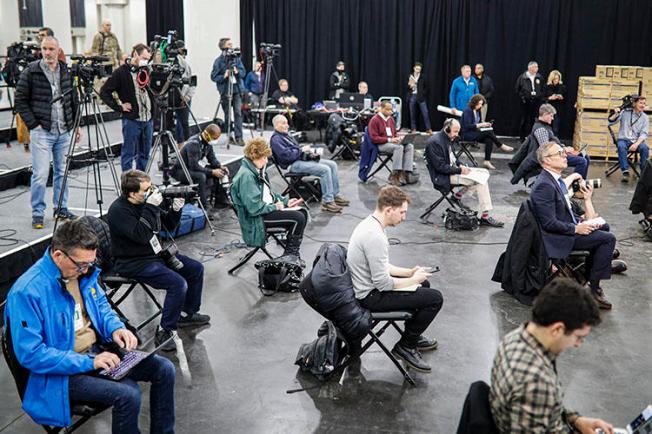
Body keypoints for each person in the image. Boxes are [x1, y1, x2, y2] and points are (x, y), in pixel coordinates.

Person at [4, 219, 176, 433]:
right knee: (128, 394)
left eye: (90, 264)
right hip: (60, 374)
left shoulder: (82, 272)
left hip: (97, 354)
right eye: (81, 264)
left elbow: (102, 306)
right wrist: (90, 362)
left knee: (164, 369)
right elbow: (31, 355)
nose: (86, 270)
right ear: (58, 256)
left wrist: (116, 328)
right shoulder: (27, 292)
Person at [490, 279, 614, 434]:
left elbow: (543, 408)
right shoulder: (536, 382)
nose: (578, 344)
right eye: (578, 337)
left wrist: (576, 420)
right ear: (557, 329)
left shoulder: (516, 337)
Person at [107, 170, 211, 351]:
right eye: (146, 189)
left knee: (195, 269)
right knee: (177, 284)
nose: (151, 192)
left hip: (155, 255)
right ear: (132, 193)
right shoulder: (118, 211)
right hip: (133, 262)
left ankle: (186, 314)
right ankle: (165, 329)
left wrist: (176, 210)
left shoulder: (146, 203)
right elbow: (141, 235)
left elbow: (168, 225)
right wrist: (151, 207)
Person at [347, 185, 443, 372]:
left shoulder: (371, 223)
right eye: (402, 212)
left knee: (425, 283)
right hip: (370, 297)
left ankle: (412, 335)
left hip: (368, 288)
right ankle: (406, 345)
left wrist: (409, 273)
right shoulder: (375, 236)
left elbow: (380, 266)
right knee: (435, 298)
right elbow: (383, 283)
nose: (404, 217)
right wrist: (414, 280)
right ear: (389, 209)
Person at [530, 142, 616, 309]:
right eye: (560, 153)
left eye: (564, 152)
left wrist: (581, 219)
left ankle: (589, 276)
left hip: (565, 228)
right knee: (608, 239)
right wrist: (576, 228)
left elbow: (562, 212)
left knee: (603, 228)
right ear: (547, 161)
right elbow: (548, 223)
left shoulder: (553, 180)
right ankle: (592, 287)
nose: (565, 156)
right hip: (556, 238)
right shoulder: (544, 186)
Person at [15, 36, 81, 229]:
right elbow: (20, 100)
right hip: (42, 131)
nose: (48, 52)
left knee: (62, 171)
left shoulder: (65, 70)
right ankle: (37, 213)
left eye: (51, 49)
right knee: (41, 174)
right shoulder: (31, 71)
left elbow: (73, 99)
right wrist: (33, 124)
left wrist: (76, 125)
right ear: (40, 50)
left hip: (64, 130)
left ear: (58, 50)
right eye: (45, 49)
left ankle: (61, 208)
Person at [230, 137, 307, 263]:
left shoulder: (256, 170)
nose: (266, 161)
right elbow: (254, 209)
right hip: (256, 219)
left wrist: (286, 201)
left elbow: (268, 195)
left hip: (264, 211)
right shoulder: (247, 176)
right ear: (255, 156)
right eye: (264, 158)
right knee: (298, 218)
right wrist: (276, 207)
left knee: (302, 213)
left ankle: (291, 253)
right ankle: (290, 255)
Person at [425, 119, 504, 227]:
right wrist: (460, 170)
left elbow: (453, 158)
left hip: (451, 172)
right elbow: (440, 167)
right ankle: (484, 216)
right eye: (455, 131)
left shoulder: (447, 138)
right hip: (442, 177)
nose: (457, 135)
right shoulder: (434, 142)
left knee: (483, 173)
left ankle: (458, 195)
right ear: (446, 128)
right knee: (481, 181)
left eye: (458, 131)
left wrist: (460, 165)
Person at [270, 114, 349, 213]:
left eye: (287, 123)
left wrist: (307, 152)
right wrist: (301, 150)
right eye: (284, 123)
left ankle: (335, 195)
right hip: (292, 164)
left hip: (299, 160)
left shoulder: (286, 135)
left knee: (332, 165)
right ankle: (327, 202)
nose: (287, 125)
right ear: (276, 125)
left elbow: (295, 150)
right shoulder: (276, 139)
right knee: (325, 170)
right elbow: (287, 156)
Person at [100, 43, 154, 172]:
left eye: (148, 59)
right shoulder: (121, 72)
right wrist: (119, 106)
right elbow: (104, 92)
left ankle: (141, 183)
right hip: (132, 119)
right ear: (135, 54)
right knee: (128, 153)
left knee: (145, 154)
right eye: (144, 58)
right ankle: (127, 185)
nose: (146, 61)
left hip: (148, 119)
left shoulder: (146, 70)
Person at [172, 124, 230, 218]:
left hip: (191, 168)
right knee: (201, 176)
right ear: (207, 135)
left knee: (218, 171)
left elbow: (212, 159)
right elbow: (194, 166)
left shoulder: (208, 143)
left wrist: (220, 166)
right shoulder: (193, 143)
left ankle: (221, 201)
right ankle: (204, 207)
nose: (215, 141)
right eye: (214, 138)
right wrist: (212, 172)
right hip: (180, 171)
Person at [532, 104, 590, 179]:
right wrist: (564, 150)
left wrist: (564, 147)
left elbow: (552, 144)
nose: (552, 118)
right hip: (555, 156)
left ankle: (581, 182)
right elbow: (546, 150)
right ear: (545, 114)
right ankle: (576, 184)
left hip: (559, 152)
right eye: (551, 116)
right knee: (582, 161)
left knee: (585, 157)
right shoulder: (540, 129)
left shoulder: (545, 126)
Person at [368, 100, 417, 186]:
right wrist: (390, 140)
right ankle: (395, 174)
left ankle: (406, 172)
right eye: (388, 109)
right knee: (399, 148)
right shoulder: (374, 120)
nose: (391, 112)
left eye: (391, 110)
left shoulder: (391, 119)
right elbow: (374, 138)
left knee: (409, 146)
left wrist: (399, 138)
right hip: (380, 145)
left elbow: (394, 134)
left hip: (391, 143)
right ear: (382, 109)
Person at [460, 94, 513, 169]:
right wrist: (481, 125)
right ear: (474, 103)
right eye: (479, 104)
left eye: (481, 104)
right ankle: (501, 145)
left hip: (474, 133)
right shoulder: (468, 111)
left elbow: (478, 123)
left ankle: (487, 161)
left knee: (489, 139)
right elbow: (467, 126)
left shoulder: (478, 111)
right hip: (466, 134)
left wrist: (485, 125)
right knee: (488, 133)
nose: (480, 106)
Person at [210, 37, 246, 144]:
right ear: (223, 47)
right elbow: (213, 77)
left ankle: (239, 137)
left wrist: (236, 71)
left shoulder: (237, 59)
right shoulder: (218, 61)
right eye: (229, 45)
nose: (232, 46)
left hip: (237, 89)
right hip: (225, 90)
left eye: (231, 44)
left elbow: (243, 73)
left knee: (238, 112)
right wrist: (224, 76)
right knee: (227, 114)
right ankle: (229, 135)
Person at [608, 95, 649, 183]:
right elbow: (610, 122)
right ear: (634, 104)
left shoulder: (645, 117)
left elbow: (644, 134)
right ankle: (625, 171)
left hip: (636, 141)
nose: (642, 105)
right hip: (623, 139)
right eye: (640, 103)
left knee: (645, 148)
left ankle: (643, 173)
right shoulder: (625, 113)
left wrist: (636, 144)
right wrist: (616, 113)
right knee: (621, 146)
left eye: (644, 104)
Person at [515, 61, 544, 141]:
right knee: (524, 120)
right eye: (535, 67)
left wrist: (539, 96)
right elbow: (517, 89)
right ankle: (522, 137)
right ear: (530, 68)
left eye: (537, 67)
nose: (537, 68)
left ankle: (533, 137)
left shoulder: (539, 77)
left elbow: (542, 88)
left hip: (536, 102)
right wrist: (523, 98)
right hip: (525, 102)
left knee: (534, 120)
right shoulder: (522, 77)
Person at [173, 47, 196, 142]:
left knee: (184, 123)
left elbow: (192, 82)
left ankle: (187, 145)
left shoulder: (185, 65)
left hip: (184, 97)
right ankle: (173, 147)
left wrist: (187, 97)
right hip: (170, 97)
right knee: (170, 124)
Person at [407, 62, 432, 134]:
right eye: (417, 69)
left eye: (419, 69)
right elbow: (406, 87)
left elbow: (427, 87)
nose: (418, 70)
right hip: (412, 95)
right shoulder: (410, 76)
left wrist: (422, 94)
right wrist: (410, 86)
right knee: (412, 114)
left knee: (425, 113)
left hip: (421, 97)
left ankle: (428, 128)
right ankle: (413, 128)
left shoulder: (423, 76)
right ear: (414, 68)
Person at [544, 70, 567, 136]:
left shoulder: (562, 87)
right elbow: (542, 98)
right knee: (547, 127)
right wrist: (549, 98)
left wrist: (561, 97)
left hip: (558, 109)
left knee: (555, 128)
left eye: (557, 78)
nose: (556, 80)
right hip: (548, 109)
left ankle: (554, 141)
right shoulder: (546, 87)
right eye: (555, 79)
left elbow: (566, 99)